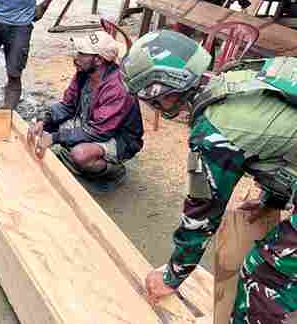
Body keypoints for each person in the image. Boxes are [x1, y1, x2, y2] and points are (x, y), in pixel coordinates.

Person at [121, 30, 297, 323]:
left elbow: (202, 215)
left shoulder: (213, 132)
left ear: (163, 92)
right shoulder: (239, 77)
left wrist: (172, 275)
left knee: (265, 276)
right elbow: (283, 139)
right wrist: (273, 200)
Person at [27, 31, 144, 192]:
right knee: (41, 127)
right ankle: (71, 157)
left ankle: (113, 172)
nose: (76, 57)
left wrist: (55, 137)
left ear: (99, 60)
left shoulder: (117, 88)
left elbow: (98, 132)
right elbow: (67, 105)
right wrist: (44, 119)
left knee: (80, 154)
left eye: (82, 53)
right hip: (91, 123)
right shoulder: (84, 73)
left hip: (119, 138)